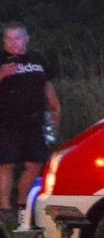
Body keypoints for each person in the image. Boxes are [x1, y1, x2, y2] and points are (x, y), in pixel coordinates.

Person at [0, 22, 62, 225]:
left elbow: (46, 84)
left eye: (18, 38)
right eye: (9, 39)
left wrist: (55, 107)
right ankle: (4, 207)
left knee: (35, 163)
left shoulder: (37, 59)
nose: (13, 42)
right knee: (6, 164)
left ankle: (21, 203)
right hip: (6, 121)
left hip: (34, 121)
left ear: (26, 38)